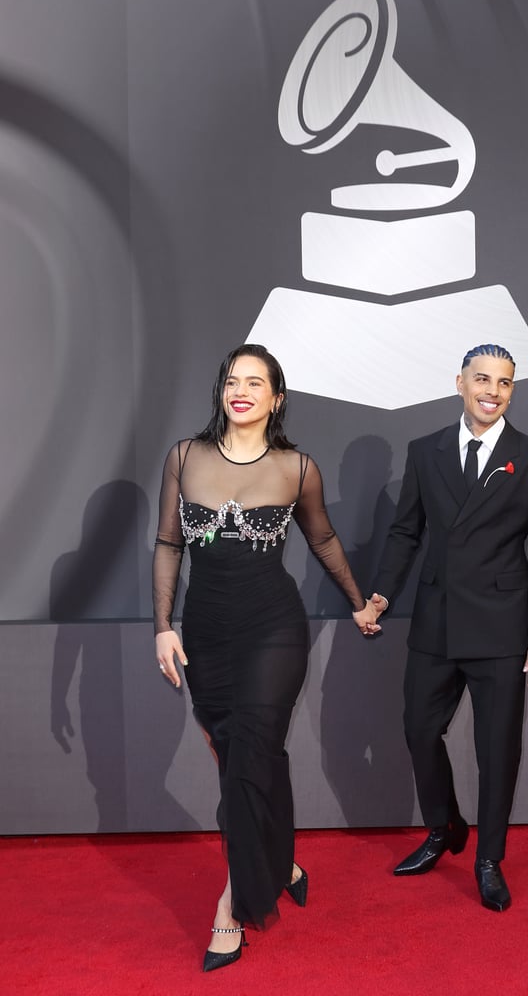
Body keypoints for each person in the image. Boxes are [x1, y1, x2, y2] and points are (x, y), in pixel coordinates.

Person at [152, 343, 378, 971]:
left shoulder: (297, 468)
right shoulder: (184, 457)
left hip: (274, 631)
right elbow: (169, 543)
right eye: (232, 380)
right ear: (221, 392)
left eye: (256, 382)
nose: (241, 390)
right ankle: (279, 860)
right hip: (204, 633)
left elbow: (323, 537)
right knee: (242, 759)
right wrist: (163, 627)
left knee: (250, 756)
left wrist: (358, 601)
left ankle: (231, 906)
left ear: (276, 398)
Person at [369, 342, 528, 911]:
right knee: (417, 731)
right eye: (482, 379)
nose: (492, 391)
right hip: (435, 620)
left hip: (503, 630)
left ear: (511, 391)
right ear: (459, 382)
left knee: (497, 749)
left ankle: (489, 858)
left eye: (504, 383)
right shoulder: (424, 451)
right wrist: (382, 593)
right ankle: (445, 826)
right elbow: (406, 531)